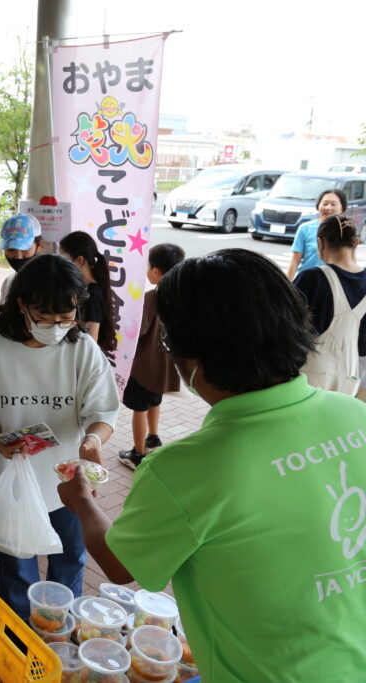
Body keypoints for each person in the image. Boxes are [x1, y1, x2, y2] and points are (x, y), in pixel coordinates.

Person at [59, 248, 366, 682]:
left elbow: (119, 564)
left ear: (194, 358)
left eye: (170, 343)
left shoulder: (184, 468)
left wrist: (82, 501)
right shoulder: (355, 414)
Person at [0, 254, 119, 619]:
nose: (56, 327)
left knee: (70, 557)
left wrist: (92, 441)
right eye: (45, 317)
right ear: (22, 305)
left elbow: (103, 411)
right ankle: (17, 632)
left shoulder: (81, 350)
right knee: (16, 562)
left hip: (67, 480)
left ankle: (60, 627)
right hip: (12, 477)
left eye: (65, 317)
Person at [117, 243, 186, 468]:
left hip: (144, 367)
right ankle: (153, 437)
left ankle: (137, 454)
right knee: (155, 401)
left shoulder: (151, 298)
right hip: (166, 366)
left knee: (139, 408)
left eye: (148, 267)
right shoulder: (181, 298)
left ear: (156, 271)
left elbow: (139, 331)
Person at [294, 214, 366, 396]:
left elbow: (286, 328)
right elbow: (363, 346)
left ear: (320, 243)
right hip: (348, 379)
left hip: (308, 378)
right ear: (355, 243)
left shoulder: (312, 278)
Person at [59, 231, 117, 358]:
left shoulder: (93, 293)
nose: (60, 265)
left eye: (63, 259)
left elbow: (91, 342)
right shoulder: (82, 288)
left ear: (80, 260)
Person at [286, 189, 347, 280]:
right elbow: (295, 260)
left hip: (334, 282)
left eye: (333, 204)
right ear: (318, 206)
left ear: (342, 208)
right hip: (307, 280)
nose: (328, 208)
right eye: (325, 203)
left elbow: (351, 260)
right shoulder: (305, 228)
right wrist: (287, 284)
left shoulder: (346, 230)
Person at [0, 213, 43, 304]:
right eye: (11, 250)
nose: (18, 257)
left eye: (25, 249)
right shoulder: (8, 282)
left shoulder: (50, 284)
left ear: (40, 245)